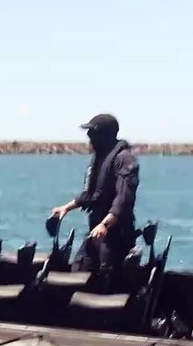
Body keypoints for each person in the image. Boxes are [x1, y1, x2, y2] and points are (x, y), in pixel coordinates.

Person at [49, 113, 140, 282]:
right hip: (95, 233)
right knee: (79, 269)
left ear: (103, 135)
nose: (89, 137)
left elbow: (124, 198)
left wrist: (105, 224)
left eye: (92, 133)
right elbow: (90, 195)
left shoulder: (123, 159)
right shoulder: (99, 158)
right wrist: (65, 208)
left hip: (115, 235)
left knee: (106, 275)